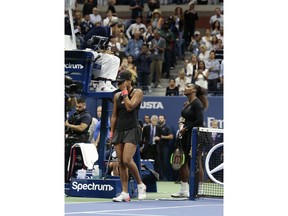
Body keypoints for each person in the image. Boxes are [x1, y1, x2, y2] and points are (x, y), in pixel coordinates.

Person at [110, 70, 147, 202]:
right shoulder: (116, 96)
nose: (119, 85)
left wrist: (125, 92)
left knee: (127, 159)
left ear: (129, 81)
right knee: (120, 163)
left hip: (132, 128)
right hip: (119, 129)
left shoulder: (137, 92)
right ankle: (125, 192)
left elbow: (130, 107)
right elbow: (114, 115)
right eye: (118, 83)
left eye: (122, 82)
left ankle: (140, 184)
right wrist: (112, 132)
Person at [171, 84, 208, 198]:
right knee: (182, 161)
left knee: (197, 161)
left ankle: (199, 189)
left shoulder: (197, 104)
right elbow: (184, 119)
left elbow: (199, 120)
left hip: (195, 135)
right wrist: (182, 125)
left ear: (194, 90)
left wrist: (186, 128)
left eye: (188, 86)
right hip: (185, 135)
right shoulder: (187, 104)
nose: (185, 88)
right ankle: (184, 189)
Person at [65, 97, 93, 182]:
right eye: (76, 107)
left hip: (80, 143)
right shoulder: (74, 115)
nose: (77, 108)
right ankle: (65, 179)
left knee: (76, 163)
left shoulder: (87, 116)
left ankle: (75, 180)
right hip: (70, 141)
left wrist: (68, 125)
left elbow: (82, 128)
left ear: (84, 105)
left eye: (79, 107)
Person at [158, 115, 174, 181]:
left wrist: (162, 137)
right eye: (159, 118)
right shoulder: (157, 127)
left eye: (161, 118)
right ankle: (159, 177)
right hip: (158, 147)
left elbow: (171, 136)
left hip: (165, 147)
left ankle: (165, 177)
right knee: (158, 162)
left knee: (164, 162)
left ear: (164, 119)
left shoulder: (167, 127)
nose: (160, 119)